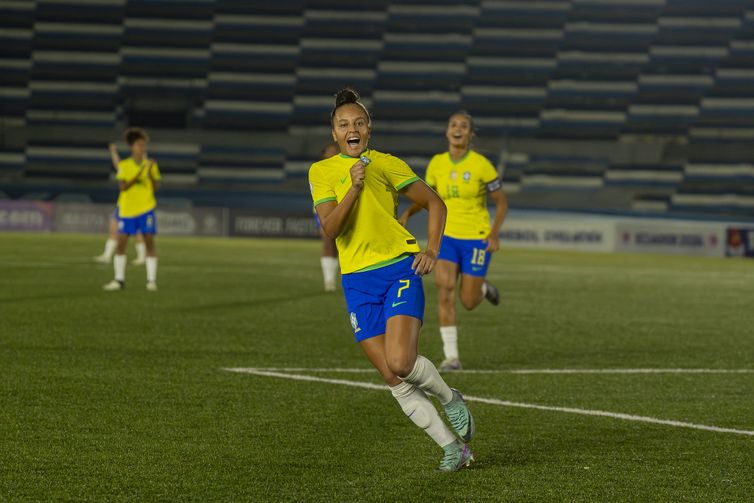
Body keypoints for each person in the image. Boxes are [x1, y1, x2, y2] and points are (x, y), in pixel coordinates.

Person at [309, 88, 475, 472]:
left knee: (401, 361)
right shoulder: (321, 172)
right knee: (391, 376)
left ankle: (450, 398)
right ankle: (453, 448)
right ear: (334, 134)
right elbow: (331, 229)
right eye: (343, 124)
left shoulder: (387, 164)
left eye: (359, 123)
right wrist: (353, 187)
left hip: (399, 269)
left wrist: (431, 248)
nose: (352, 129)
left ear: (369, 130)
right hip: (356, 282)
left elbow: (436, 202)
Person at [399, 111, 508, 372]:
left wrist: (493, 234)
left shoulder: (482, 165)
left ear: (470, 134)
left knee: (468, 301)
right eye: (453, 125)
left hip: (476, 239)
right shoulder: (437, 163)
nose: (458, 129)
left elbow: (501, 202)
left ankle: (480, 289)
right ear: (447, 132)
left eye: (464, 126)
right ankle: (452, 357)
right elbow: (428, 198)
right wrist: (407, 213)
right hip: (446, 237)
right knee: (445, 289)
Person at [103, 127, 161, 291]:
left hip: (146, 209)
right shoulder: (125, 165)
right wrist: (139, 174)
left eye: (144, 145)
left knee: (149, 242)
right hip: (127, 211)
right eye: (139, 145)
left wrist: (149, 173)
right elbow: (123, 187)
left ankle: (151, 281)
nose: (143, 148)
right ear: (132, 147)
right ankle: (119, 280)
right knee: (121, 244)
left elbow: (156, 188)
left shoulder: (151, 165)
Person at [93, 143, 147, 265]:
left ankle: (142, 256)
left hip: (136, 205)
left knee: (137, 231)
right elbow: (118, 165)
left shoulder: (143, 167)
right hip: (123, 203)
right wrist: (113, 152)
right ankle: (107, 255)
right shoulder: (127, 167)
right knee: (114, 228)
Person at [316, 142, 340, 291]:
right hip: (324, 208)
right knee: (328, 240)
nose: (333, 152)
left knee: (341, 245)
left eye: (335, 150)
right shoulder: (319, 170)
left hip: (343, 207)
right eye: (330, 151)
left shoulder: (345, 166)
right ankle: (329, 280)